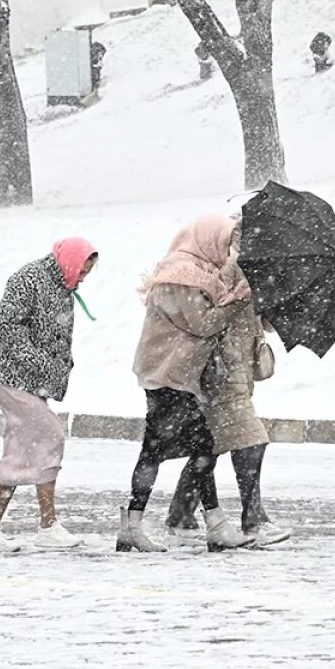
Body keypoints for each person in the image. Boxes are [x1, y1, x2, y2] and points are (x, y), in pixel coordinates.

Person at [120, 215, 253, 553]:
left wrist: (231, 300)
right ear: (208, 239)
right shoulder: (181, 276)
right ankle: (212, 524)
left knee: (168, 449)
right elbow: (204, 323)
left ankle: (135, 524)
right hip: (167, 375)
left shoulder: (197, 274)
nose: (227, 250)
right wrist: (237, 302)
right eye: (225, 242)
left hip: (175, 375)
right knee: (198, 447)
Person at [169, 228, 292, 548]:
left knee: (212, 445)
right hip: (222, 372)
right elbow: (209, 315)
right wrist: (241, 296)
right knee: (252, 441)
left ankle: (181, 514)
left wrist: (271, 294)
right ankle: (253, 521)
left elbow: (261, 320)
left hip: (237, 369)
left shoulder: (252, 266)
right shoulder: (228, 264)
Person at [0, 238, 98, 553]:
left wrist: (58, 367)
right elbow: (6, 326)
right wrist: (41, 363)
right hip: (9, 376)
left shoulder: (62, 285)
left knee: (20, 449)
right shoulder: (28, 279)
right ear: (70, 262)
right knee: (50, 434)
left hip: (29, 381)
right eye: (82, 271)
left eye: (87, 273)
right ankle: (47, 525)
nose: (83, 278)